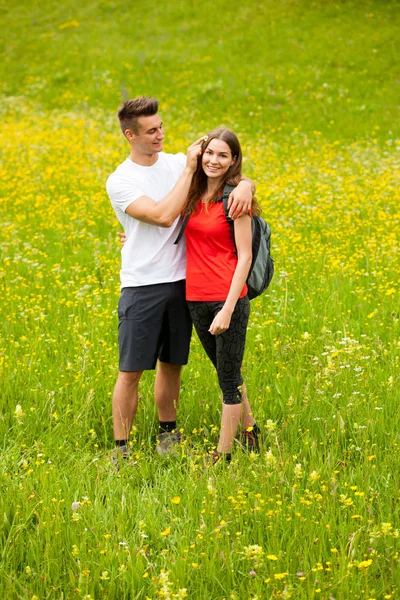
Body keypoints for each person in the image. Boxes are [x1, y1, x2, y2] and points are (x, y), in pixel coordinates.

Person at [106, 97, 254, 458]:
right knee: (130, 371)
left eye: (161, 127)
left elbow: (225, 164)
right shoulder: (121, 180)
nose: (161, 135)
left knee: (171, 365)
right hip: (141, 285)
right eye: (152, 131)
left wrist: (247, 183)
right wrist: (188, 171)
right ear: (131, 135)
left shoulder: (176, 163)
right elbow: (159, 215)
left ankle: (167, 435)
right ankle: (121, 449)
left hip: (184, 284)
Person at [182, 128, 261, 465]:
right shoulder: (190, 193)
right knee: (226, 372)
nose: (214, 160)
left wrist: (228, 309)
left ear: (233, 161)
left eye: (222, 155)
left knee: (228, 382)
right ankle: (252, 433)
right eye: (209, 153)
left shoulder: (236, 200)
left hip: (226, 300)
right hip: (195, 299)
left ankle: (223, 455)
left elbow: (244, 257)